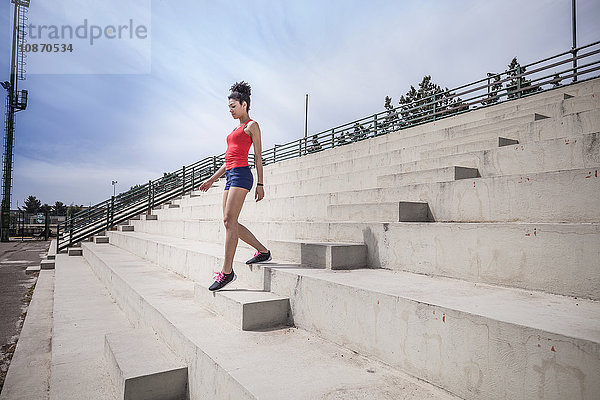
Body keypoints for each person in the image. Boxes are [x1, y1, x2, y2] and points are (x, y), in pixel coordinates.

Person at [199, 81, 272, 291]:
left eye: (233, 106)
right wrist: (212, 179)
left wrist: (260, 183)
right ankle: (263, 252)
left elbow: (258, 156)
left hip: (242, 175)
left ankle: (227, 272)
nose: (230, 110)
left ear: (244, 104)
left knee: (229, 220)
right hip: (230, 175)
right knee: (229, 222)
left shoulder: (252, 126)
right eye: (229, 107)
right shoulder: (234, 129)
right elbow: (227, 159)